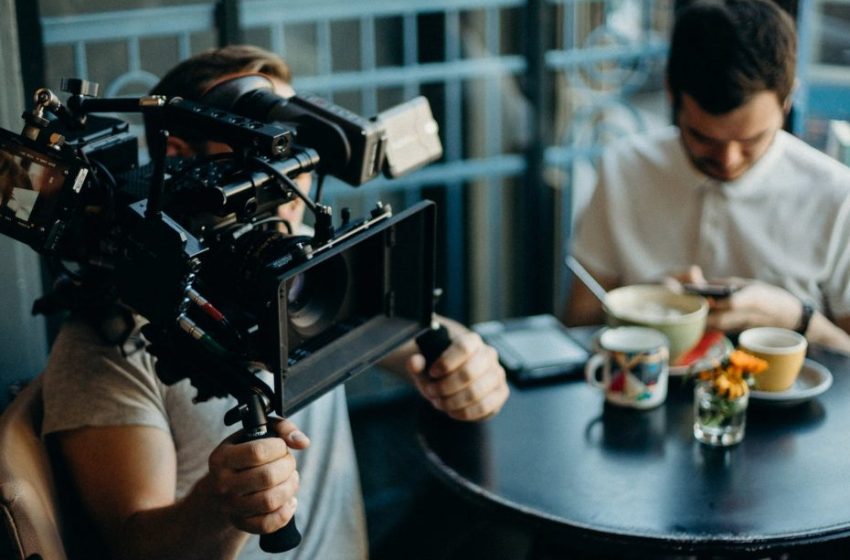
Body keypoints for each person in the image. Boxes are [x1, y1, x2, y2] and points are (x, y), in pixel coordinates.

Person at [41, 45, 509, 560]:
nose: (289, 190)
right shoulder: (101, 343)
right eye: (262, 160)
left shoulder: (302, 256)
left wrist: (464, 357)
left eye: (298, 156)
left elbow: (403, 333)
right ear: (177, 158)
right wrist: (221, 505)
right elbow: (134, 550)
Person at [564, 0, 850, 354]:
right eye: (703, 138)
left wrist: (796, 316)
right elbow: (578, 322)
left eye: (750, 140)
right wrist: (643, 303)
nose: (728, 160)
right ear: (672, 93)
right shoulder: (625, 167)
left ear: (787, 99)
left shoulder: (837, 194)